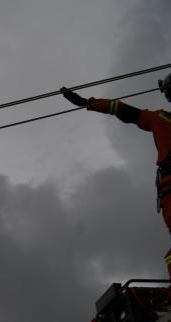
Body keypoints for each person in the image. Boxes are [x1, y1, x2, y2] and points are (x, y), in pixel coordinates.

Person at [62, 76, 171, 277]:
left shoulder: (160, 119)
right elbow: (122, 110)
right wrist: (88, 103)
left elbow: (122, 110)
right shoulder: (160, 119)